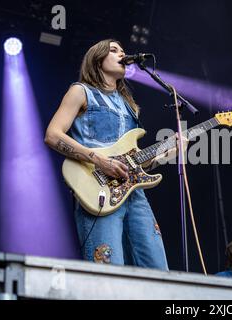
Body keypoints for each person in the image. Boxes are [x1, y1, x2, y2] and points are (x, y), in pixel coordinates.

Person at [45, 39, 181, 269]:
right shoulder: (81, 91)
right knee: (110, 272)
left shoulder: (130, 106)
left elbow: (134, 161)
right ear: (97, 59)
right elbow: (53, 135)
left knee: (158, 268)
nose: (123, 54)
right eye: (114, 50)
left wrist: (165, 153)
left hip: (133, 193)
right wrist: (99, 160)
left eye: (123, 51)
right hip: (97, 190)